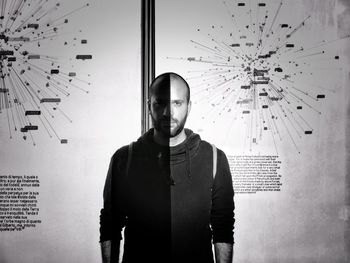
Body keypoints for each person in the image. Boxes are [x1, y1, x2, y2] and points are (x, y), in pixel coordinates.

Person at [100, 72, 235, 263]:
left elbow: (223, 226)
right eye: (160, 103)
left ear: (189, 106)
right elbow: (110, 225)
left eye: (177, 103)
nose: (168, 112)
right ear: (149, 106)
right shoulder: (124, 158)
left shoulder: (214, 158)